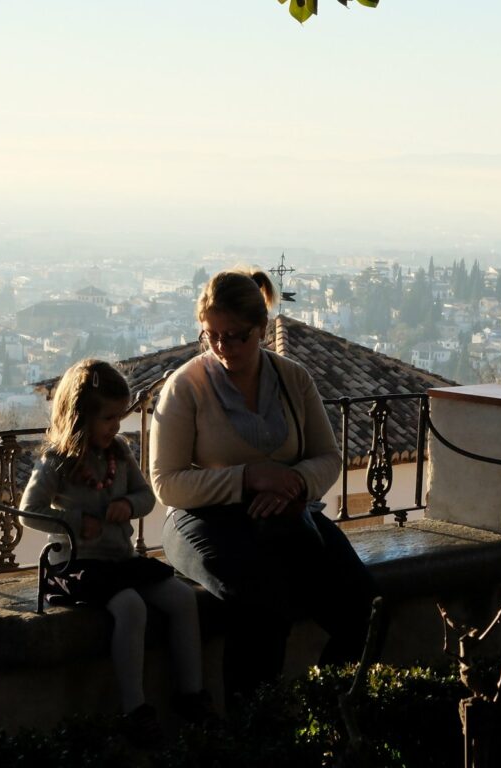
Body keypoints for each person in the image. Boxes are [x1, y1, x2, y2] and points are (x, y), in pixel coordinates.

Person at [150, 268, 378, 704]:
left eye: (236, 336)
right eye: (211, 335)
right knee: (260, 604)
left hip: (287, 513)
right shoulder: (186, 387)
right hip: (202, 520)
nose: (223, 347)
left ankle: (324, 711)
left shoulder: (294, 379)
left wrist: (293, 481)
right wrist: (249, 477)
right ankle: (254, 729)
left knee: (364, 607)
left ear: (262, 329)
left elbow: (328, 457)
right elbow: (167, 483)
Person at [19, 358, 208, 738]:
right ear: (80, 416)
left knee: (183, 599)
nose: (115, 426)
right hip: (78, 566)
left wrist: (128, 506)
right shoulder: (57, 461)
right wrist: (75, 522)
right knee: (130, 606)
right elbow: (28, 512)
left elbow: (145, 496)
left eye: (118, 418)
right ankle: (134, 708)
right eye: (107, 418)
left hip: (119, 560)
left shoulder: (117, 454)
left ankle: (192, 693)